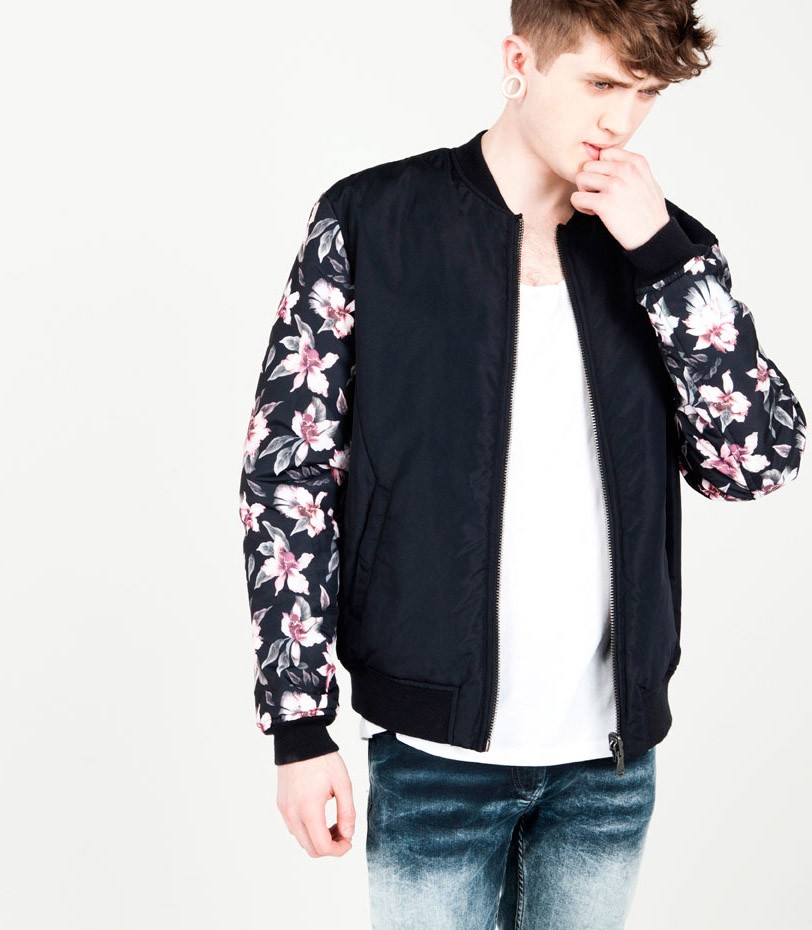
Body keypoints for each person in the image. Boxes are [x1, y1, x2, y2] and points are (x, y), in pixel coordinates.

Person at [238, 1, 807, 927]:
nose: (620, 120)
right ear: (520, 60)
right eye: (601, 83)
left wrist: (665, 257)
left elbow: (755, 463)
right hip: (433, 756)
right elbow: (289, 475)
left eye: (646, 94)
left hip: (608, 767)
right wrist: (299, 724)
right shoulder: (372, 221)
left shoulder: (664, 251)